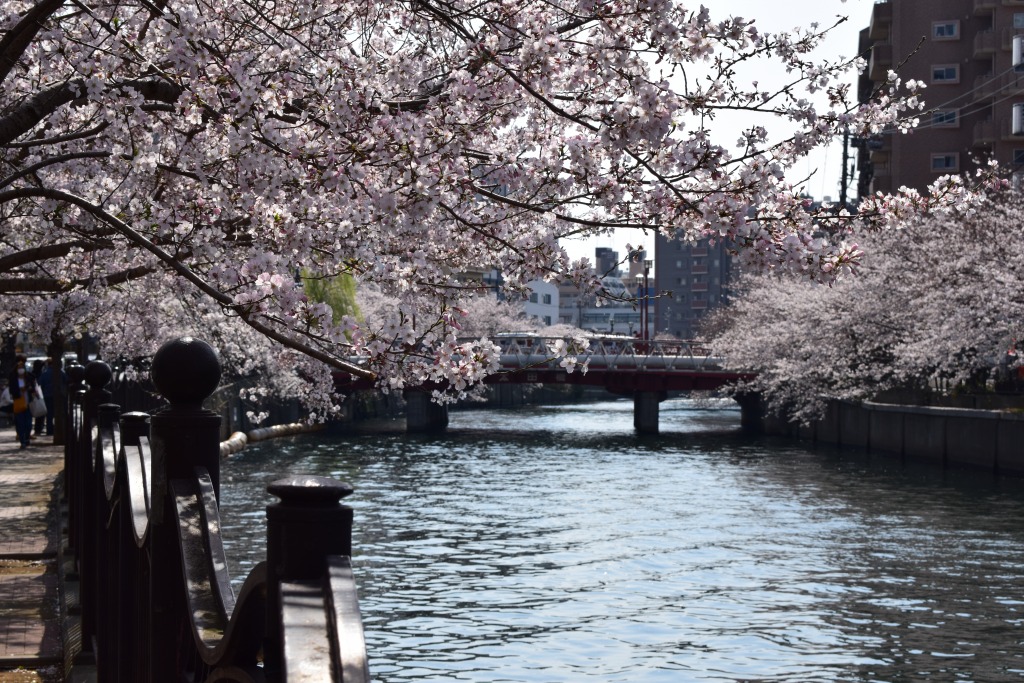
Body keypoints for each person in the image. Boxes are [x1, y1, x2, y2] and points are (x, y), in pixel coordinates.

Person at [7, 355, 39, 449]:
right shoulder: (14, 379)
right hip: (18, 403)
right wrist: (19, 390)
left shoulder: (28, 377)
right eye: (19, 368)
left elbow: (33, 388)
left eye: (22, 368)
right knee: (20, 423)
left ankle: (27, 438)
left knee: (28, 424)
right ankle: (22, 441)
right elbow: (11, 391)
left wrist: (30, 389)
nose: (21, 370)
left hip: (28, 403)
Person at [37, 358, 63, 437]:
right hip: (59, 396)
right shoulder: (60, 372)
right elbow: (67, 380)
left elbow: (39, 384)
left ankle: (49, 430)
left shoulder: (45, 374)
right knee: (59, 413)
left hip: (47, 395)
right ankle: (59, 429)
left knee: (49, 414)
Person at [31, 359, 45, 437]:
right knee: (41, 412)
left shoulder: (33, 373)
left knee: (38, 412)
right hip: (39, 394)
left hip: (35, 394)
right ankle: (39, 428)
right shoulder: (40, 374)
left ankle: (38, 428)